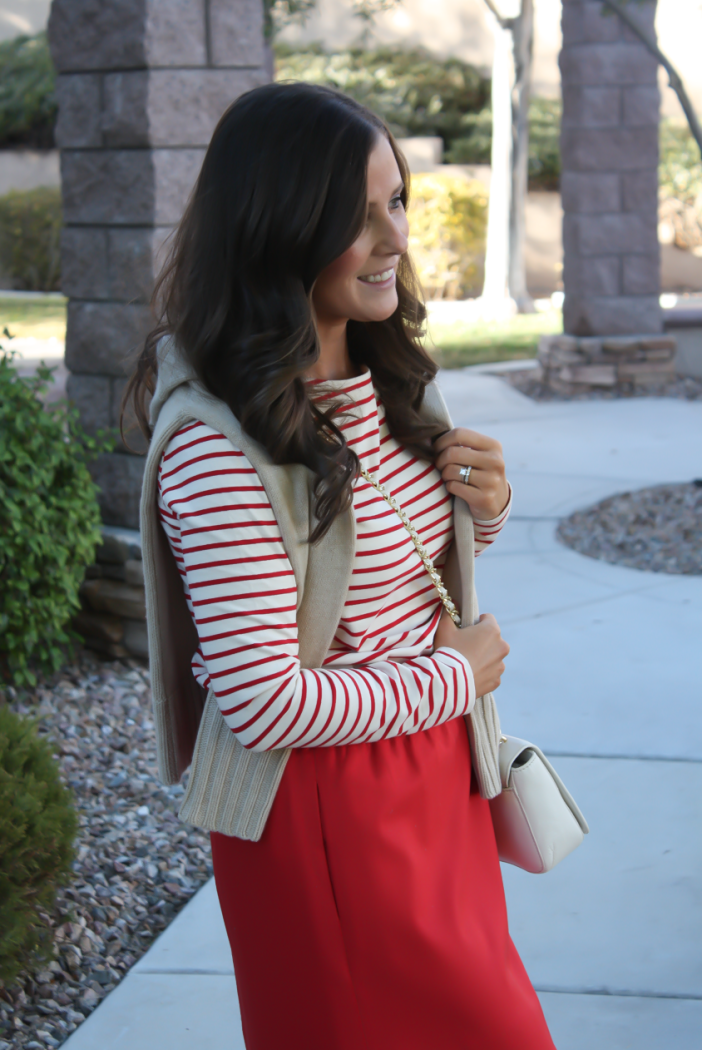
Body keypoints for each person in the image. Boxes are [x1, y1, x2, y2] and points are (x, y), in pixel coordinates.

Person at [125, 82, 555, 1050]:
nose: (397, 237)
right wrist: (456, 676)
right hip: (328, 816)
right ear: (279, 228)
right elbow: (265, 701)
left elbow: (386, 582)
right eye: (356, 217)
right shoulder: (217, 447)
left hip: (433, 779)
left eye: (396, 201)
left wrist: (482, 514)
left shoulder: (389, 381)